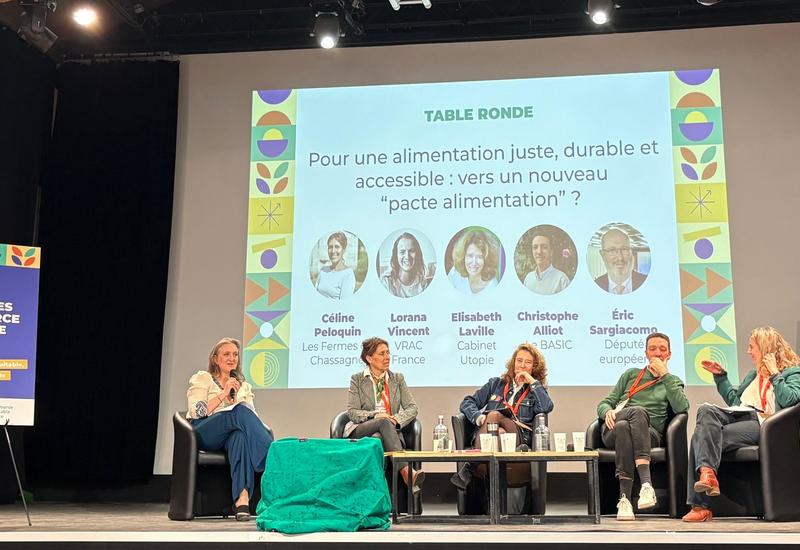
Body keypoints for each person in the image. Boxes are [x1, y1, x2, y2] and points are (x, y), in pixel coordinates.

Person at [682, 326, 800, 522]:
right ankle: (707, 474)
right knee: (706, 411)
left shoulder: (792, 372)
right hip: (741, 415)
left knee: (698, 439)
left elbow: (790, 400)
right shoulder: (753, 375)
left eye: (752, 347)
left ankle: (700, 506)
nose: (748, 351)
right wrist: (721, 377)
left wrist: (774, 373)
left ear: (765, 347)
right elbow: (736, 403)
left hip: (765, 423)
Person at [596, 332, 689, 520]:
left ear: (669, 354)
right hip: (612, 429)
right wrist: (607, 412)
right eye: (652, 349)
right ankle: (646, 484)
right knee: (634, 413)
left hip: (649, 434)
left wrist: (665, 375)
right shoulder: (631, 374)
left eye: (662, 349)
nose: (657, 353)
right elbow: (604, 403)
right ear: (646, 353)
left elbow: (681, 407)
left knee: (624, 427)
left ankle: (624, 501)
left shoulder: (673, 381)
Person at [186, 338, 273, 521]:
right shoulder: (204, 378)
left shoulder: (243, 386)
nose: (232, 358)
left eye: (235, 354)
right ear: (215, 359)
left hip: (231, 434)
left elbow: (251, 419)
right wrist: (223, 394)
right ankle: (273, 460)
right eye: (226, 354)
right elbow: (196, 411)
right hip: (203, 432)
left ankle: (242, 502)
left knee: (240, 436)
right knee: (239, 411)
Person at [451, 342, 554, 489]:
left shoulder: (534, 391)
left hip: (518, 437)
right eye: (519, 360)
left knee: (494, 415)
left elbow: (546, 407)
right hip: (491, 436)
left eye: (528, 362)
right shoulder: (496, 384)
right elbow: (467, 402)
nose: (522, 365)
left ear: (534, 367)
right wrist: (478, 418)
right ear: (513, 363)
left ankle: (470, 467)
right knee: (499, 431)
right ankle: (492, 488)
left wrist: (532, 382)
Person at [345, 337, 425, 492]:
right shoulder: (357, 379)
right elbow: (352, 412)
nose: (387, 357)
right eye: (382, 354)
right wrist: (376, 415)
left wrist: (395, 419)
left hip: (389, 432)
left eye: (388, 353)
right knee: (382, 421)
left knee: (378, 439)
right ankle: (406, 472)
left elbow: (412, 408)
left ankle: (377, 492)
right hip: (362, 428)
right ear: (369, 358)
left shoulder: (397, 379)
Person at [594, 228, 646, 294]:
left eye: (624, 249)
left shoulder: (646, 281)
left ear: (631, 252)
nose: (620, 258)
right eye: (612, 250)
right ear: (603, 255)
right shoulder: (595, 285)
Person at [381, 232, 433, 298]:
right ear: (396, 255)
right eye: (402, 252)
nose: (407, 257)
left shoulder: (423, 284)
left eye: (411, 251)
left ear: (417, 254)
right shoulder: (387, 283)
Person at [447, 229, 500, 294]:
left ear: (487, 260)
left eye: (480, 257)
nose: (474, 263)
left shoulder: (492, 286)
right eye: (470, 256)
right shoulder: (455, 273)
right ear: (463, 257)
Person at [315, 231, 356, 299]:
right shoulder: (323, 270)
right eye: (330, 247)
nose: (333, 251)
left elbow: (344, 302)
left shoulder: (348, 274)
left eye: (337, 247)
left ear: (343, 250)